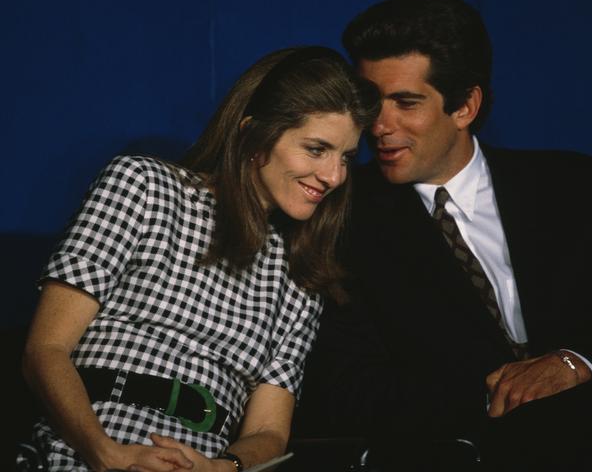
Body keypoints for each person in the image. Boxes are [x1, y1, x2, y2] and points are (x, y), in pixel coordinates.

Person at [296, 0, 592, 471]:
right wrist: (494, 396)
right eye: (369, 102)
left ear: (465, 106)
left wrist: (574, 363)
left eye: (406, 102)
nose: (379, 126)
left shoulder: (580, 186)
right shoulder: (338, 216)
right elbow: (344, 385)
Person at [18, 46, 380, 471]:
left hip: (202, 459)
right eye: (317, 149)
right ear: (253, 136)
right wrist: (105, 453)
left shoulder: (300, 274)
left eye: (346, 156)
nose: (335, 176)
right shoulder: (144, 187)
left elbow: (268, 432)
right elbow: (46, 349)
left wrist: (220, 468)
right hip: (88, 442)